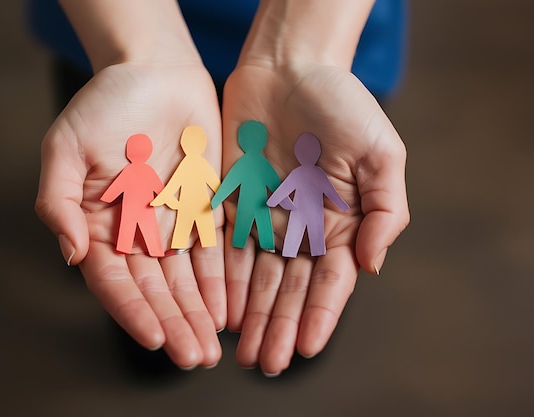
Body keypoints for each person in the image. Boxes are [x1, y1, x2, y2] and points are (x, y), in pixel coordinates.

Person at [32, 0, 410, 376]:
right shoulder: (245, 162)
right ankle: (156, 357)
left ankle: (166, 356)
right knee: (157, 283)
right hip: (109, 21)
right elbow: (214, 185)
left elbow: (236, 185)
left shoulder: (254, 161)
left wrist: (307, 50)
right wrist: (139, 48)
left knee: (271, 261)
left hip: (331, 26)